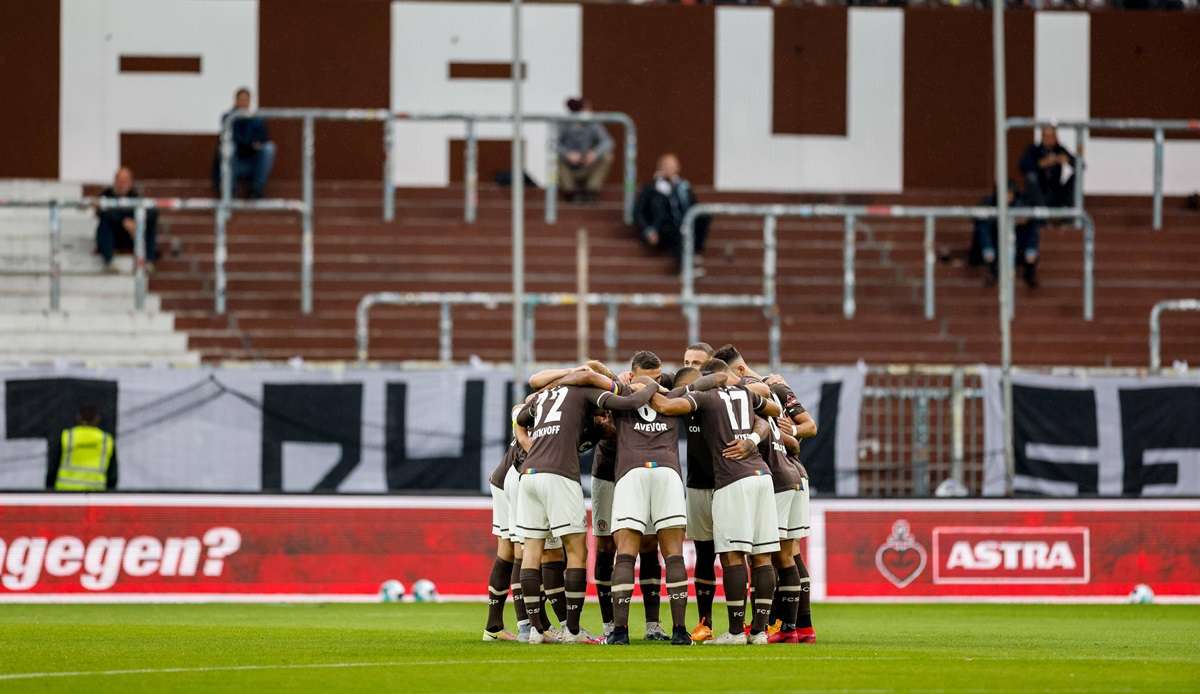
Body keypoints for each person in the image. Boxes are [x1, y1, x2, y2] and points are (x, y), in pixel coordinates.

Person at [514, 370, 657, 644]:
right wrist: (651, 387)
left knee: (531, 551)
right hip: (558, 475)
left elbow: (520, 418)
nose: (604, 417)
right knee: (577, 551)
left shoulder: (545, 395)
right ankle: (573, 631)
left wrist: (526, 441)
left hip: (528, 476)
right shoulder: (584, 392)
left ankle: (536, 630)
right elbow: (628, 404)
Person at [649, 358, 781, 645]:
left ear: (707, 377)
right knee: (762, 557)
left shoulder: (705, 397)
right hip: (762, 476)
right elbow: (772, 412)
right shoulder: (745, 394)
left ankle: (734, 632)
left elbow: (665, 406)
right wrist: (754, 439)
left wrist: (645, 387)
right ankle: (758, 632)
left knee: (732, 555)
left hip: (732, 480)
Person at [604, 351, 729, 646]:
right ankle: (679, 631)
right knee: (672, 553)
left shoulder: (620, 393)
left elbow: (591, 374)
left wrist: (624, 380)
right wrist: (660, 386)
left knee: (625, 553)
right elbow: (717, 378)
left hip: (631, 473)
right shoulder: (673, 394)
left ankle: (619, 633)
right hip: (667, 473)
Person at [634, 153, 711, 273]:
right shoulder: (651, 188)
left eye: (672, 166)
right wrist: (648, 230)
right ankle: (685, 268)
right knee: (678, 232)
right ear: (660, 167)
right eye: (666, 166)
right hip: (663, 227)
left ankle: (695, 250)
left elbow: (694, 206)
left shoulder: (683, 186)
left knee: (703, 216)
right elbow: (639, 212)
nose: (670, 169)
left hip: (684, 223)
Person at [971, 183, 1042, 288]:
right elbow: (976, 219)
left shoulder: (1021, 204)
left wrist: (1020, 220)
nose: (1006, 197)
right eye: (1004, 194)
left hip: (1016, 246)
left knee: (1031, 228)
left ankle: (1030, 267)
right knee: (983, 227)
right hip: (995, 246)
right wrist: (1000, 220)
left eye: (1009, 194)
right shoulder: (989, 203)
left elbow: (1034, 220)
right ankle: (991, 267)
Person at [212, 87, 276, 199]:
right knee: (229, 148)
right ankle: (229, 192)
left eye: (246, 99)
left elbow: (263, 139)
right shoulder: (229, 118)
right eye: (241, 99)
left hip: (252, 161)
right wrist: (251, 144)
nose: (243, 102)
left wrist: (253, 144)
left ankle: (256, 190)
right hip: (233, 162)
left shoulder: (256, 119)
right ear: (235, 100)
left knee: (269, 148)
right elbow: (232, 139)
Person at [95, 167, 158, 274]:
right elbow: (101, 212)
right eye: (119, 180)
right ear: (115, 181)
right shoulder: (106, 195)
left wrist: (137, 223)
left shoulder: (136, 197)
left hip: (132, 236)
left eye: (125, 181)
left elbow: (153, 213)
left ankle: (148, 261)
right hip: (113, 238)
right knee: (105, 223)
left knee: (149, 224)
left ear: (131, 183)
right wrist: (123, 221)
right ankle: (108, 262)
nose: (122, 184)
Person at [557, 97, 612, 203]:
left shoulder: (593, 123)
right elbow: (552, 143)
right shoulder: (564, 123)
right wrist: (567, 154)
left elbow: (608, 141)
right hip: (568, 168)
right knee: (556, 158)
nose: (590, 112)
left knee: (607, 156)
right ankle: (570, 192)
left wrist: (594, 153)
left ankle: (592, 191)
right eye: (587, 109)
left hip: (587, 166)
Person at [52, 405, 117, 492]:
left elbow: (53, 468)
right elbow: (113, 476)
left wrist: (50, 491)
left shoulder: (66, 437)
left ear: (78, 418)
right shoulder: (107, 440)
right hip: (96, 494)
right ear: (97, 419)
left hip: (65, 494)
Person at [1019, 127, 1076, 208]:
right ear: (1042, 137)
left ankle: (1069, 210)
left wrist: (1068, 160)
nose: (1050, 139)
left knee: (1075, 176)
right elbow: (1023, 166)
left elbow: (1081, 165)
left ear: (1056, 137)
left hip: (1056, 192)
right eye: (1047, 136)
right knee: (1031, 177)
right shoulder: (1034, 149)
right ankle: (1042, 211)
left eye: (1052, 136)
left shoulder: (1060, 150)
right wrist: (1041, 163)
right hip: (1039, 191)